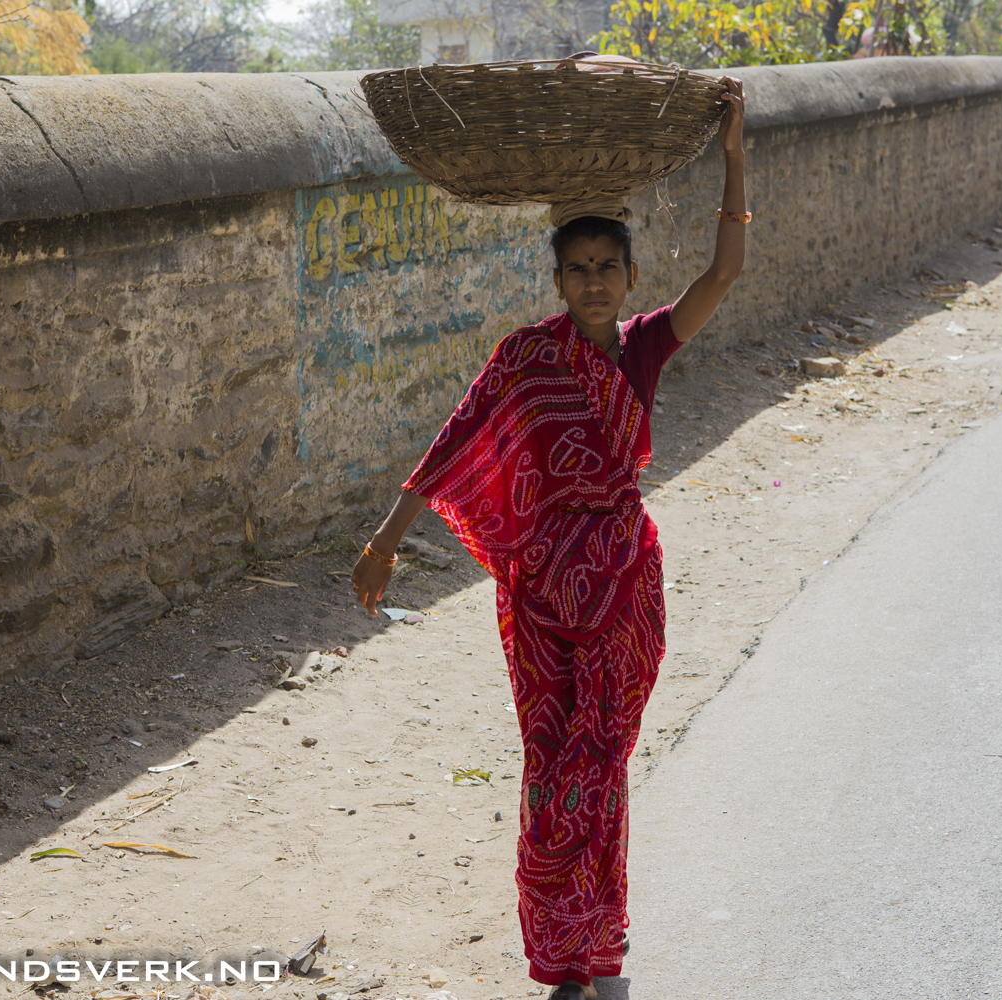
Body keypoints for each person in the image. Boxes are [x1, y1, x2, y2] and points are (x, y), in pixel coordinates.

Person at [351, 75, 748, 1000]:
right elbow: (455, 441)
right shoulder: (526, 358)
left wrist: (734, 153)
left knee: (596, 771)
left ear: (630, 276)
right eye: (578, 270)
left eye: (609, 267)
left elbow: (724, 272)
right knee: (548, 772)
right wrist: (385, 539)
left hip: (621, 588)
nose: (595, 282)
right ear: (558, 280)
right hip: (538, 593)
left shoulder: (646, 346)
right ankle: (561, 957)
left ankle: (596, 954)